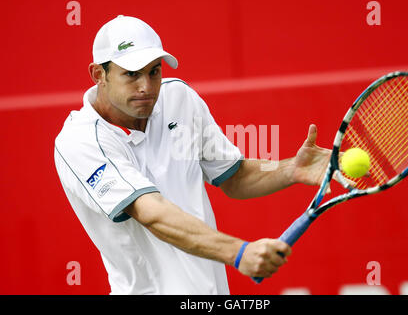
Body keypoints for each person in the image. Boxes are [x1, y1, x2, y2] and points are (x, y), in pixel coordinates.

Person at [54, 15, 332, 295]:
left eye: (154, 71)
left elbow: (234, 177)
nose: (146, 87)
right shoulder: (80, 141)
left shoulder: (178, 99)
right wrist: (239, 252)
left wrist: (291, 169)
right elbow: (151, 213)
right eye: (131, 74)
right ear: (99, 75)